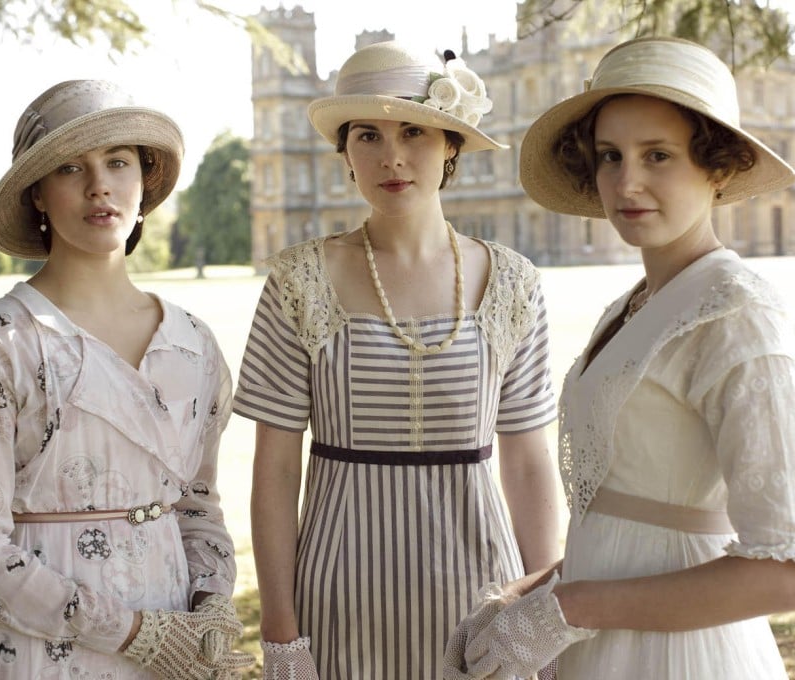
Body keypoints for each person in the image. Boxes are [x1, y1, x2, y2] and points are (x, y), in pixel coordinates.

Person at [444, 36, 795, 679]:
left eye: (659, 155)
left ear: (717, 166)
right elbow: (637, 519)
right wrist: (530, 594)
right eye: (610, 156)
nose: (627, 182)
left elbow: (790, 576)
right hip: (603, 645)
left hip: (681, 657)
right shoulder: (634, 305)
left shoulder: (734, 313)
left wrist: (564, 610)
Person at [232, 40, 562, 679]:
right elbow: (274, 470)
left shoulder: (513, 283)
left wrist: (539, 610)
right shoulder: (299, 282)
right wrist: (280, 633)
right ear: (345, 155)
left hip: (481, 596)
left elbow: (527, 461)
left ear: (450, 145)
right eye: (368, 135)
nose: (393, 156)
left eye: (414, 129)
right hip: (337, 599)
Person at [0, 79, 254, 679]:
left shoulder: (193, 344)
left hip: (172, 648)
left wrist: (208, 614)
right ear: (38, 197)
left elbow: (199, 509)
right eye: (71, 168)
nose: (99, 185)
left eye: (118, 162)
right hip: (36, 654)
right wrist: (131, 634)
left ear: (143, 181)